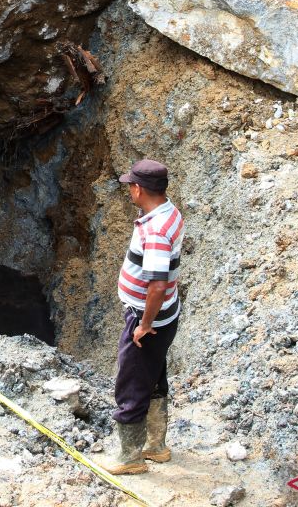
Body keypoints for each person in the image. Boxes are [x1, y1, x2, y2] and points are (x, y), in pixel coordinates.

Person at [95, 159, 183, 475]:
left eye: (130, 185)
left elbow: (157, 285)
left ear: (138, 189)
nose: (129, 190)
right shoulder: (169, 213)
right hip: (166, 316)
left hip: (148, 320)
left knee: (131, 383)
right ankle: (155, 447)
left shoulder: (156, 229)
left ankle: (130, 457)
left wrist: (144, 324)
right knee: (154, 376)